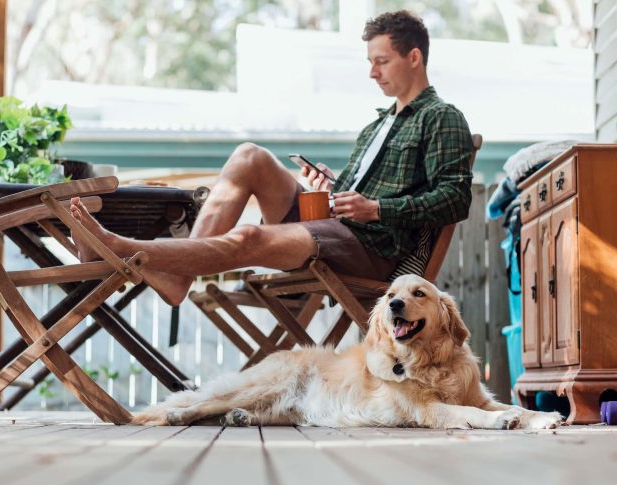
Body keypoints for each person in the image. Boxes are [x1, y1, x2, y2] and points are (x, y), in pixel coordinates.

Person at [71, 10, 474, 306]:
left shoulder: (441, 118)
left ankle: (120, 247)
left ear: (414, 58)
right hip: (334, 225)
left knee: (248, 237)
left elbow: (456, 199)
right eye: (370, 62)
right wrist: (332, 187)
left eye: (381, 61)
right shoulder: (376, 127)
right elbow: (352, 197)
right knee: (251, 156)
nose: (372, 73)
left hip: (372, 248)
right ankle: (178, 278)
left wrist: (377, 209)